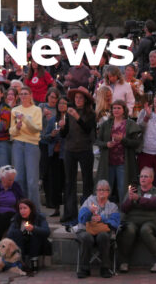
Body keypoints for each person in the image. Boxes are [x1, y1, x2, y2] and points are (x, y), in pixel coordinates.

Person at [117, 167, 156, 273]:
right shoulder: (133, 190)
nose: (142, 178)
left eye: (146, 176)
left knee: (145, 229)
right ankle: (124, 261)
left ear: (152, 179)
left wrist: (138, 199)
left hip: (151, 221)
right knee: (129, 229)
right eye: (141, 176)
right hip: (132, 221)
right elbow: (123, 209)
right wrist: (130, 200)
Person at [61, 86, 97, 223]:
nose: (78, 100)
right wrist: (62, 127)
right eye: (76, 97)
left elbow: (88, 130)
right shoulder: (68, 112)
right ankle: (70, 213)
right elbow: (64, 134)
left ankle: (86, 212)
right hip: (70, 150)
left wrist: (77, 117)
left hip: (85, 149)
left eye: (80, 98)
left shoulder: (91, 114)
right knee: (69, 182)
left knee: (87, 182)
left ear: (86, 100)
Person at [96, 100, 142, 202]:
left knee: (123, 189)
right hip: (108, 162)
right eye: (114, 108)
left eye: (118, 108)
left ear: (124, 110)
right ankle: (104, 214)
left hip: (123, 163)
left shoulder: (130, 124)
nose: (116, 110)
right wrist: (106, 144)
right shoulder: (106, 124)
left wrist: (123, 140)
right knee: (106, 189)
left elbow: (136, 143)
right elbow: (97, 141)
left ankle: (124, 214)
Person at [76, 180, 120, 279]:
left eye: (104, 190)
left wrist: (102, 219)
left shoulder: (113, 207)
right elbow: (81, 219)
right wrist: (89, 211)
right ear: (96, 191)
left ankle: (105, 268)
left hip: (102, 232)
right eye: (99, 190)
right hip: (85, 230)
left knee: (104, 236)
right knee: (87, 237)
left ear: (108, 192)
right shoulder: (88, 201)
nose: (101, 192)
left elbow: (115, 224)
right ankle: (84, 268)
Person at [9, 86, 43, 212]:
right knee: (19, 179)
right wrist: (17, 127)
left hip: (32, 145)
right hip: (18, 144)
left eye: (25, 93)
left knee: (32, 181)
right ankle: (21, 209)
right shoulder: (15, 110)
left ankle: (35, 211)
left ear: (30, 95)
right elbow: (11, 132)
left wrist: (25, 120)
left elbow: (36, 129)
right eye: (21, 94)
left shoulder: (37, 110)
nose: (23, 96)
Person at [6, 198, 50, 275]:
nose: (22, 211)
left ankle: (34, 263)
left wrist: (33, 228)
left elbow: (46, 232)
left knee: (36, 234)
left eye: (25, 208)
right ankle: (21, 262)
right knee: (16, 232)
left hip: (37, 246)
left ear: (31, 209)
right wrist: (19, 231)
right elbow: (9, 234)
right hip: (22, 245)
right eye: (20, 208)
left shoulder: (39, 217)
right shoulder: (17, 218)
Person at [43, 96, 69, 217]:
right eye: (60, 103)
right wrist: (52, 135)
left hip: (67, 154)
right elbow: (45, 136)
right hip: (54, 154)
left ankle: (68, 208)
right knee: (55, 182)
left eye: (64, 103)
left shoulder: (71, 119)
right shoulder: (53, 119)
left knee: (66, 181)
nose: (61, 105)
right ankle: (57, 208)